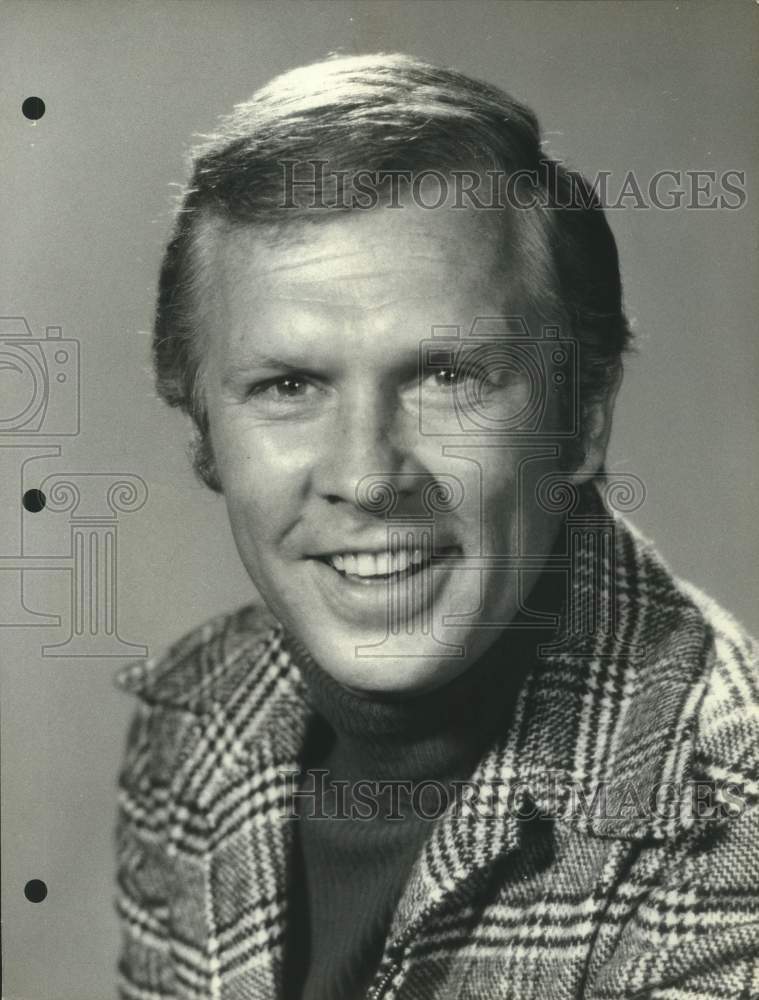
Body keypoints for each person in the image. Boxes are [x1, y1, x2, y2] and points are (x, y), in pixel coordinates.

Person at [114, 53, 758, 1000]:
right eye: (287, 386)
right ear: (203, 434)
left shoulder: (730, 835)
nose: (368, 476)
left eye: (447, 377)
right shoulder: (191, 717)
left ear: (578, 419)